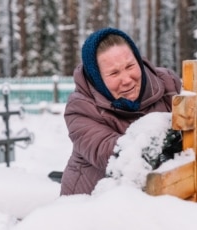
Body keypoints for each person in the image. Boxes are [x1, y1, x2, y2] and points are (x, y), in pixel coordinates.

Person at [60, 27, 182, 196]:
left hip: (157, 197)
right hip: (91, 204)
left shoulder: (168, 83)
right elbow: (110, 153)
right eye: (114, 73)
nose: (126, 80)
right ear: (97, 79)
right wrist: (168, 136)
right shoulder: (80, 108)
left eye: (130, 66)